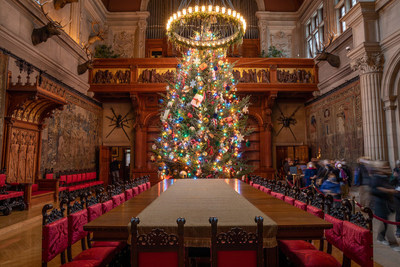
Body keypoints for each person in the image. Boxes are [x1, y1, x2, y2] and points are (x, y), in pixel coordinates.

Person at [370, 160, 398, 248]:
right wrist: (386, 190)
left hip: (387, 202)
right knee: (386, 222)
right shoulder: (376, 177)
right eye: (384, 167)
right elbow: (374, 190)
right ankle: (393, 243)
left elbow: (390, 184)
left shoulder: (385, 176)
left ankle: (381, 237)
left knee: (385, 222)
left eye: (386, 166)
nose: (386, 168)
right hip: (380, 203)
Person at [390, 160, 400, 238]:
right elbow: (391, 183)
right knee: (398, 213)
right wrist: (394, 176)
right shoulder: (395, 172)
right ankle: (398, 230)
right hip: (397, 195)